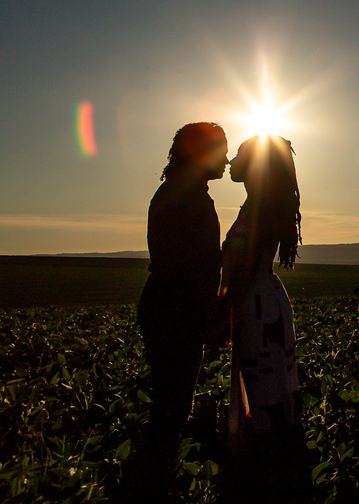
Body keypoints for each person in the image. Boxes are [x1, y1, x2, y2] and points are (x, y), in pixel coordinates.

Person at [133, 122, 229, 493]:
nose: (225, 160)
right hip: (175, 311)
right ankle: (153, 486)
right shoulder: (187, 197)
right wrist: (207, 316)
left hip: (168, 307)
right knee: (171, 410)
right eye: (221, 151)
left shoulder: (179, 191)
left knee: (168, 406)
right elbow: (189, 267)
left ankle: (151, 482)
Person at [218, 134, 309, 501]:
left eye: (240, 155)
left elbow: (244, 267)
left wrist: (223, 308)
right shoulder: (261, 202)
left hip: (256, 304)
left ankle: (268, 473)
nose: (231, 162)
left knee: (263, 388)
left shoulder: (260, 206)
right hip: (262, 299)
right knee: (270, 385)